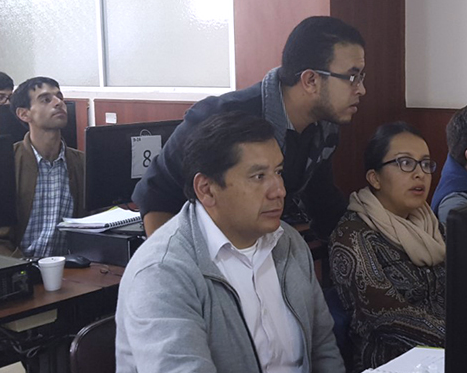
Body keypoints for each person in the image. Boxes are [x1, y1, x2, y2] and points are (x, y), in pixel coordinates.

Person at [116, 112, 345, 373]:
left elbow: (322, 352)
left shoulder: (289, 243)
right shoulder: (162, 271)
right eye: (258, 176)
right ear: (207, 189)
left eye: (278, 172)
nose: (278, 190)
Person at [133, 16, 366, 239]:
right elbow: (156, 193)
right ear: (310, 81)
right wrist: (177, 269)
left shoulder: (324, 127)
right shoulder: (221, 118)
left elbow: (322, 201)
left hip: (257, 249)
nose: (361, 90)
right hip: (201, 254)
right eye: (352, 78)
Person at [329, 122, 446, 373]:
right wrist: (466, 339)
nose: (420, 174)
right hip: (392, 367)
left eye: (426, 164)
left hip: (450, 355)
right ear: (375, 178)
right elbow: (389, 316)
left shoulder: (431, 224)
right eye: (405, 163)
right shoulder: (353, 236)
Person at [9, 76, 85, 258]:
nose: (58, 103)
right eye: (46, 99)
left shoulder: (81, 163)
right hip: (20, 271)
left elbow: (98, 223)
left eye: (60, 97)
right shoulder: (6, 163)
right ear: (24, 114)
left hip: (72, 270)